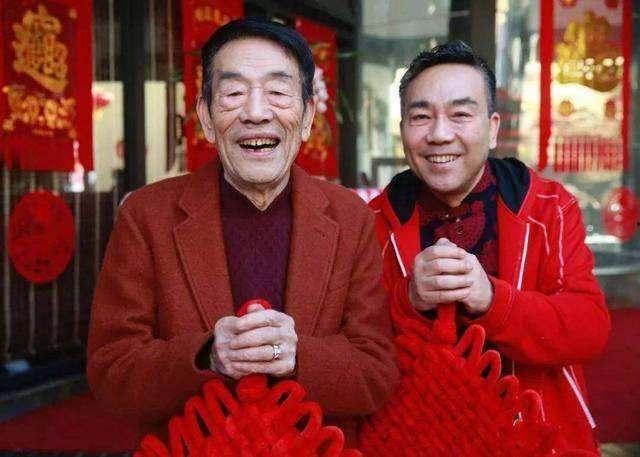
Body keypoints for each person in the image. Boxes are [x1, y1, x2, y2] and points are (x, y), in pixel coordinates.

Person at [87, 18, 398, 446]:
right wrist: (208, 355)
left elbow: (377, 372)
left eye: (277, 92)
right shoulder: (147, 216)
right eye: (233, 93)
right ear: (206, 117)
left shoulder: (351, 218)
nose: (255, 112)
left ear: (308, 116)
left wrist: (296, 356)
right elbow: (111, 369)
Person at [369, 40, 610, 454]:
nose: (439, 134)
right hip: (416, 438)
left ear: (493, 127)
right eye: (421, 116)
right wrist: (408, 300)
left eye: (461, 114)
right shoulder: (372, 220)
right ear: (403, 129)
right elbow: (355, 342)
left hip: (535, 437)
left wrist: (492, 301)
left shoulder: (549, 207)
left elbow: (590, 329)